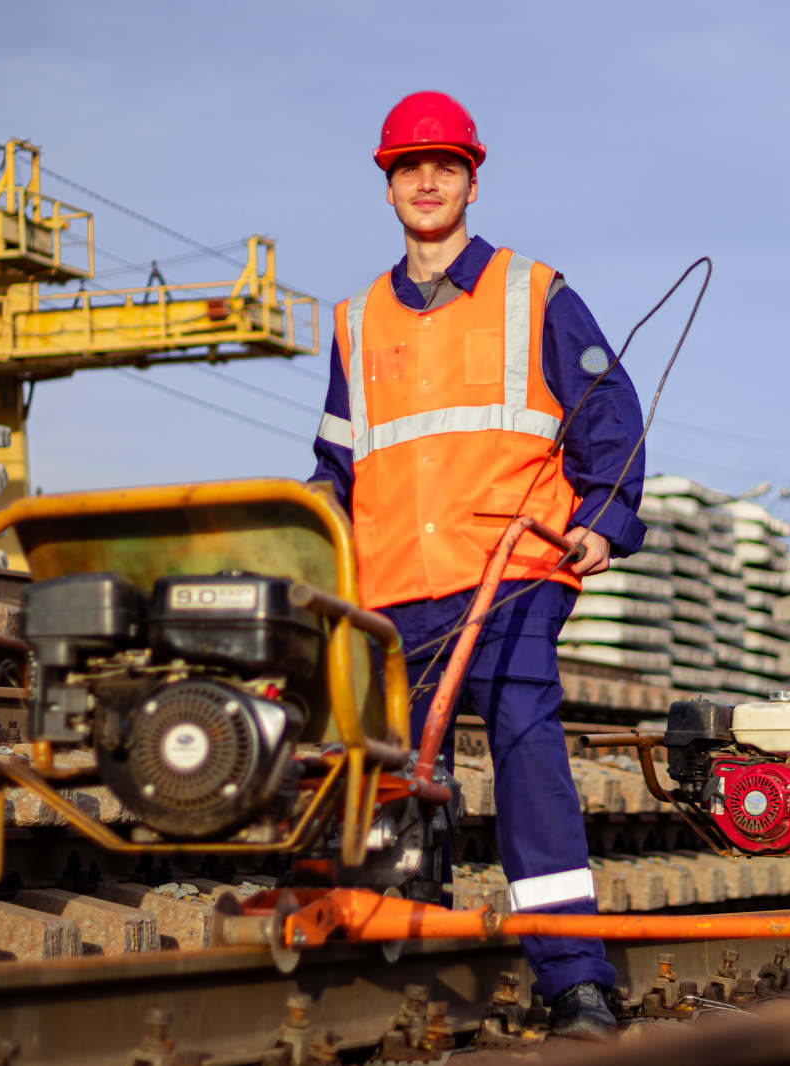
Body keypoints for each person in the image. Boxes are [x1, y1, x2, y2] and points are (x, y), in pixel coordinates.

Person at [309, 91, 645, 1038]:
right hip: (390, 593)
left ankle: (574, 976)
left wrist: (605, 520)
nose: (427, 180)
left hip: (511, 578)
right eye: (409, 166)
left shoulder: (535, 293)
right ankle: (408, 956)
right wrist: (311, 536)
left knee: (527, 752)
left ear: (470, 178)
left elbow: (610, 420)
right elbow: (339, 461)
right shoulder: (355, 319)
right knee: (387, 776)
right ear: (386, 185)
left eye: (445, 165)